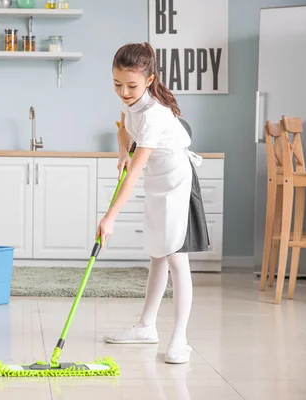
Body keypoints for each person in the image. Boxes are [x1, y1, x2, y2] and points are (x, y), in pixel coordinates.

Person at [96, 43, 210, 364]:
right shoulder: (131, 103)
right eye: (117, 84)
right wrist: (121, 153)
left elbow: (135, 173)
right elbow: (123, 129)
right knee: (157, 252)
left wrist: (110, 217)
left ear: (149, 80)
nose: (124, 92)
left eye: (131, 85)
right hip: (159, 182)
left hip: (178, 184)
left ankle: (180, 339)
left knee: (175, 256)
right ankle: (146, 326)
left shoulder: (154, 114)